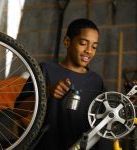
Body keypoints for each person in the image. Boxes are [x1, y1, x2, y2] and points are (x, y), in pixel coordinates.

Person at [34, 18, 106, 150]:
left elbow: (104, 120)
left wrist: (129, 101)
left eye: (94, 46)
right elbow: (19, 112)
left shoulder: (96, 81)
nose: (89, 50)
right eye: (83, 43)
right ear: (67, 42)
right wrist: (46, 92)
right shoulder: (45, 70)